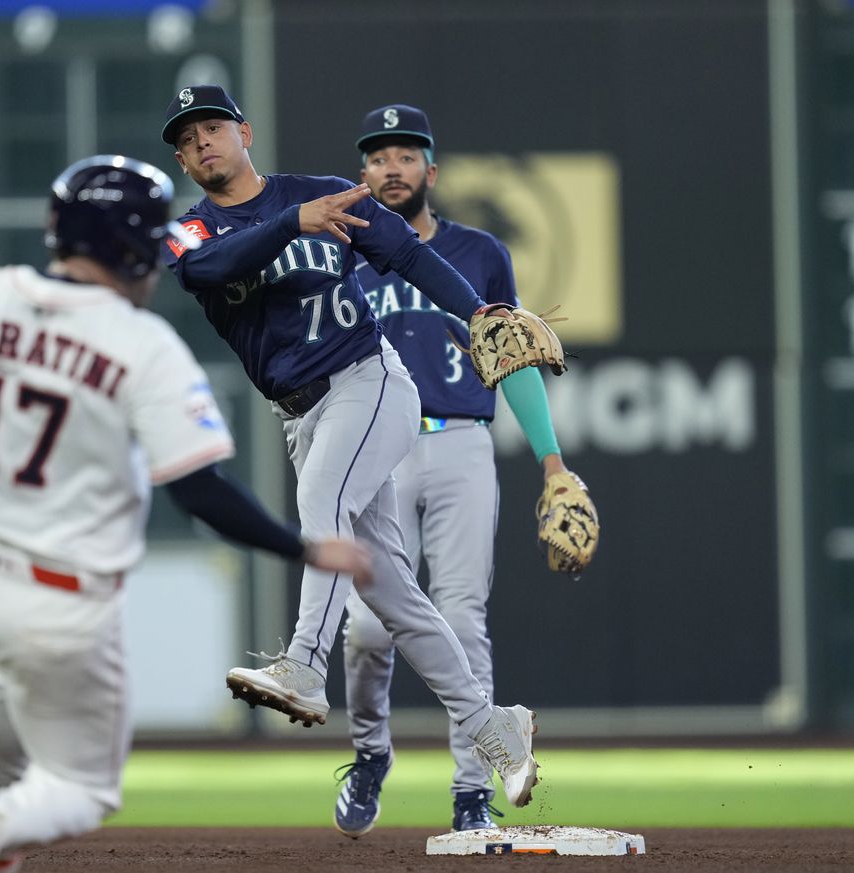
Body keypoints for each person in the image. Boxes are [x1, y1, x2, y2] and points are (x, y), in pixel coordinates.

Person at [0, 155, 374, 873]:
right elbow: (200, 491)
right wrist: (307, 549)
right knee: (81, 788)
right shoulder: (143, 347)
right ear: (136, 251)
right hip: (55, 606)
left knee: (11, 793)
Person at [159, 85, 540, 812]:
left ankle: (305, 664)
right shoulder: (189, 232)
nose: (201, 142)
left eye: (212, 127)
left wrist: (478, 311)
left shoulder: (325, 193)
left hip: (368, 382)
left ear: (244, 132)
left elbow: (408, 254)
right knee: (394, 597)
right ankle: (494, 725)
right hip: (301, 415)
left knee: (321, 500)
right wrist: (291, 224)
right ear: (182, 160)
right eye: (187, 138)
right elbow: (206, 271)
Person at [333, 105, 580, 838]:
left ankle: (473, 789)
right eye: (379, 156)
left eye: (406, 155)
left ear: (431, 172)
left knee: (463, 617)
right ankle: (370, 753)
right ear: (362, 173)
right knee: (367, 629)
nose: (392, 167)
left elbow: (512, 355)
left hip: (461, 442)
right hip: (374, 448)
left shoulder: (479, 252)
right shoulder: (341, 252)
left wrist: (552, 461)